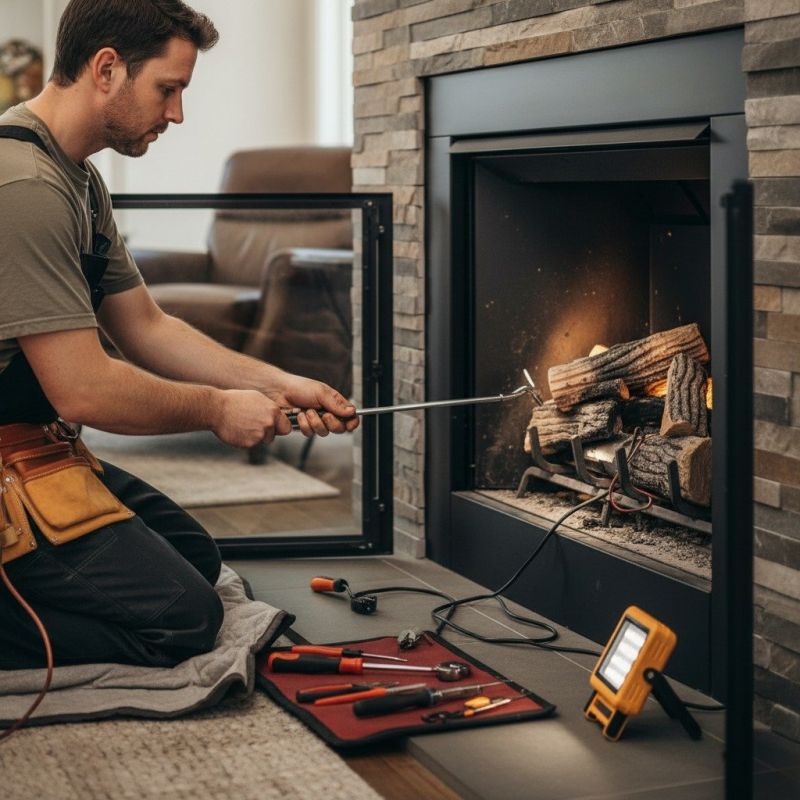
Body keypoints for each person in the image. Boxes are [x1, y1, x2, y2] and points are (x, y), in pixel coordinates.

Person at [0, 0, 358, 671]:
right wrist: (218, 410)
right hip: (9, 469)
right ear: (106, 68)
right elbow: (82, 391)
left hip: (37, 455)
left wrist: (277, 382)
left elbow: (145, 326)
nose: (177, 114)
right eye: (169, 89)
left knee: (196, 561)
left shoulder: (78, 181)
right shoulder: (21, 185)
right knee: (183, 623)